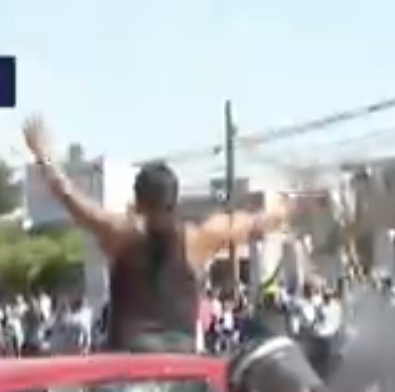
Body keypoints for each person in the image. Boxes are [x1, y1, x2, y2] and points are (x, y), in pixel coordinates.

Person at [21, 116, 288, 353]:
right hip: (181, 370)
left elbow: (69, 196)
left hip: (128, 365)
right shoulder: (196, 239)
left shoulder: (121, 233)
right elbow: (253, 223)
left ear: (137, 201)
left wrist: (43, 154)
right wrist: (290, 208)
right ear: (175, 200)